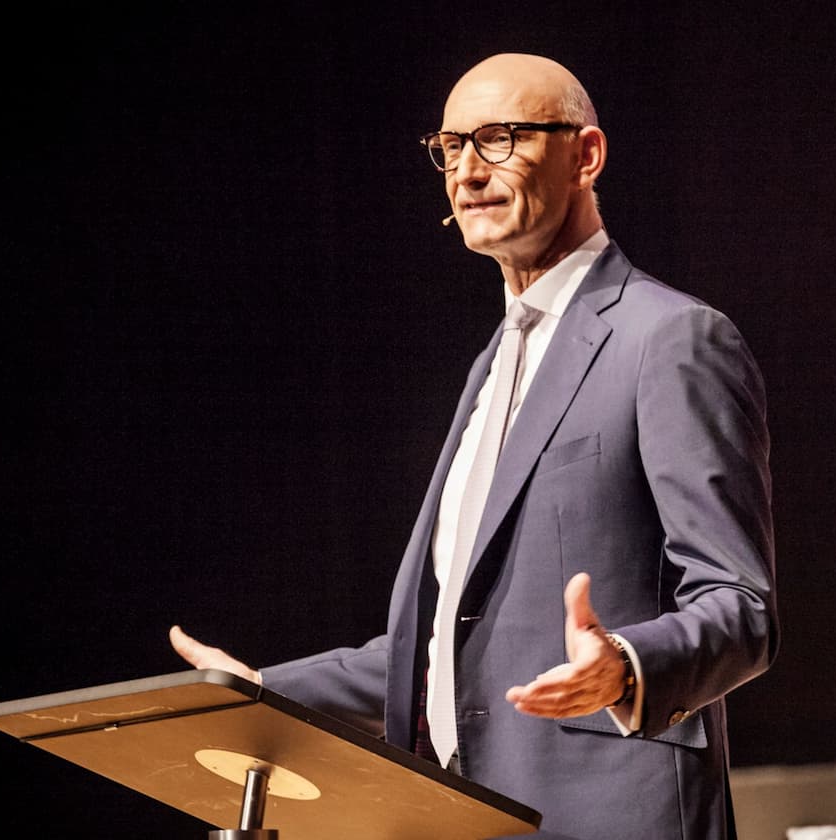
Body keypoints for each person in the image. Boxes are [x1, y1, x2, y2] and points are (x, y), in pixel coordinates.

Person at [169, 52, 777, 840]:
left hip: (611, 814)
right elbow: (443, 653)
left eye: (500, 138)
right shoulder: (493, 365)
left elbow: (742, 607)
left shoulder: (670, 338)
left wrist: (625, 663)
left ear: (585, 156)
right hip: (466, 816)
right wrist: (260, 695)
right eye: (450, 148)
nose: (467, 171)